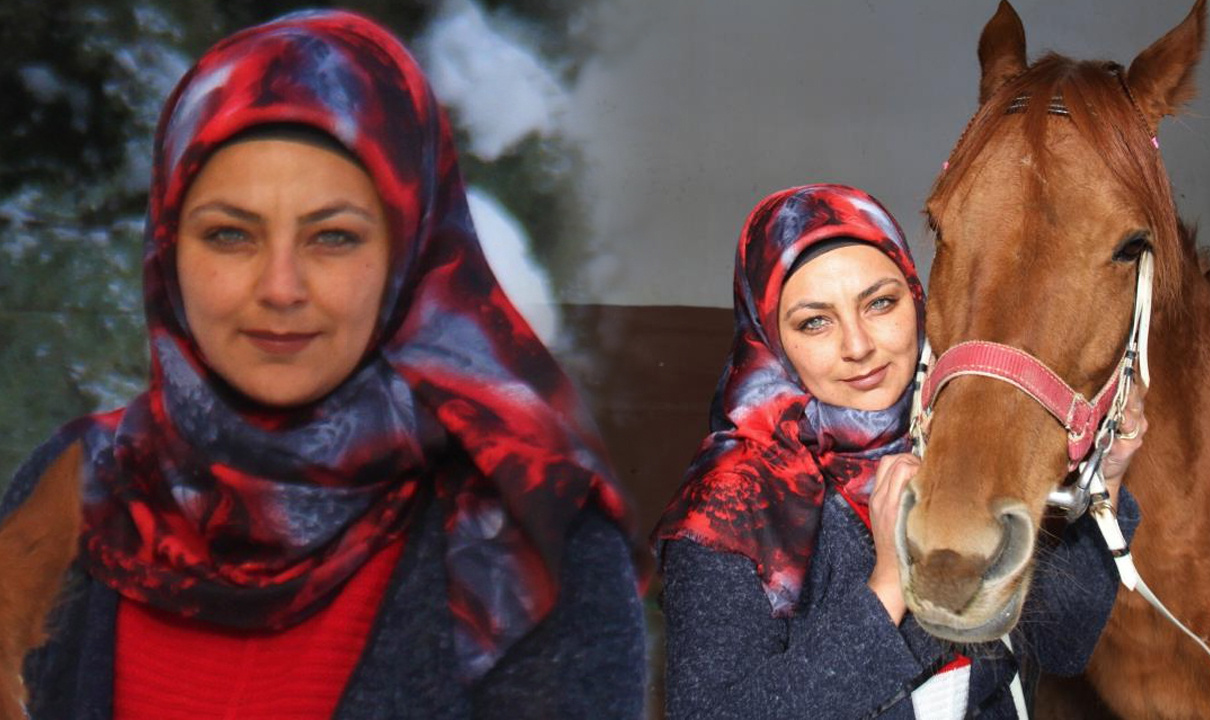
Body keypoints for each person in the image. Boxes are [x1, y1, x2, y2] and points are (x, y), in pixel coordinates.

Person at [0, 10, 645, 719]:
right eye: (229, 235)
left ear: (412, 251)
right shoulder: (78, 483)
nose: (280, 287)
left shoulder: (524, 535)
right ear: (169, 249)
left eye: (333, 238)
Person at [652, 184, 1144, 719]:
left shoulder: (953, 445)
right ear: (768, 336)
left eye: (880, 303)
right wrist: (888, 586)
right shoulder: (728, 503)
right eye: (814, 321)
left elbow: (1063, 645)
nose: (859, 345)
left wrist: (1107, 480)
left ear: (918, 298)